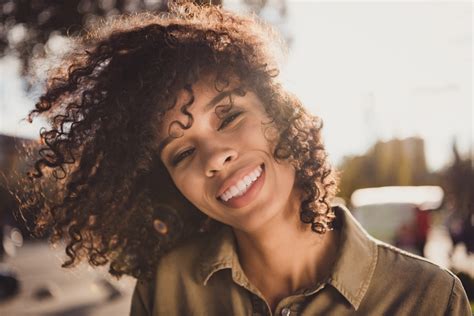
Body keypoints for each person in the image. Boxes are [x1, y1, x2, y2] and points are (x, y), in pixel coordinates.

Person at [19, 3, 470, 316]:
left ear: (280, 112)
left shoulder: (429, 297)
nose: (215, 158)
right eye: (183, 152)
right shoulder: (165, 289)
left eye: (229, 116)